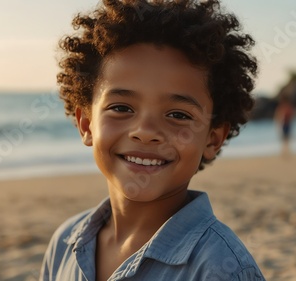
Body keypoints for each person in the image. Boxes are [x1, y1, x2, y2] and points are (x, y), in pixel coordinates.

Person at [40, 0, 265, 280]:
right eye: (121, 108)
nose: (145, 131)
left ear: (212, 138)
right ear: (86, 124)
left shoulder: (219, 269)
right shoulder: (64, 245)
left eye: (178, 114)